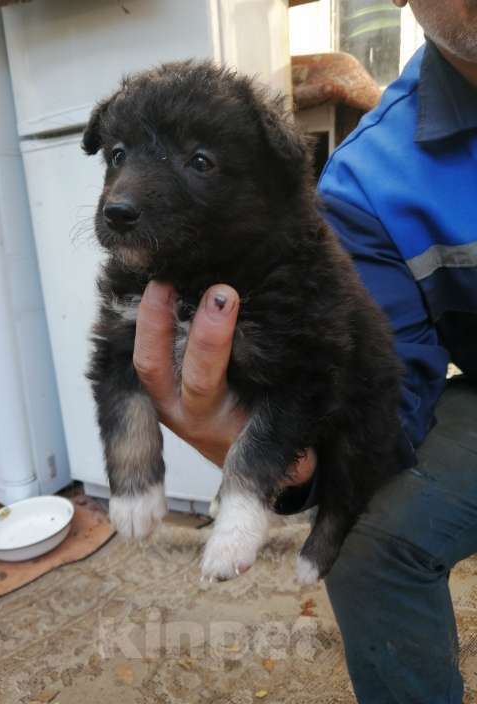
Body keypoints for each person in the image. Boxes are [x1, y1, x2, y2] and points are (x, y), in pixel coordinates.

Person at [132, 1, 477, 701]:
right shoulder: (369, 182)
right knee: (369, 536)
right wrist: (301, 464)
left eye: (199, 161)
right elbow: (388, 380)